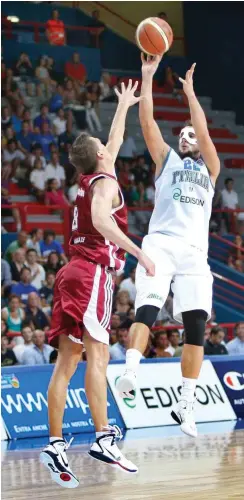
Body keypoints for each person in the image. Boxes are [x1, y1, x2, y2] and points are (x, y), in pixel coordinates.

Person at [40, 80, 155, 486]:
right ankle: (104, 438)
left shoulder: (89, 179)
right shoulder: (105, 185)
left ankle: (54, 444)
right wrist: (138, 251)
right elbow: (105, 222)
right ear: (101, 155)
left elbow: (114, 138)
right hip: (92, 274)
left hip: (70, 273)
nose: (110, 144)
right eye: (103, 143)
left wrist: (123, 105)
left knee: (66, 362)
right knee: (98, 355)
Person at [117, 55, 220, 440]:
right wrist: (146, 76)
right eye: (182, 134)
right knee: (147, 308)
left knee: (196, 326)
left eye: (189, 134)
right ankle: (130, 371)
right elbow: (147, 124)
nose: (184, 137)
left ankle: (186, 404)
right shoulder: (167, 160)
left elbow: (205, 133)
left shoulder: (210, 169)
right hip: (160, 243)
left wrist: (190, 93)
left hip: (195, 254)